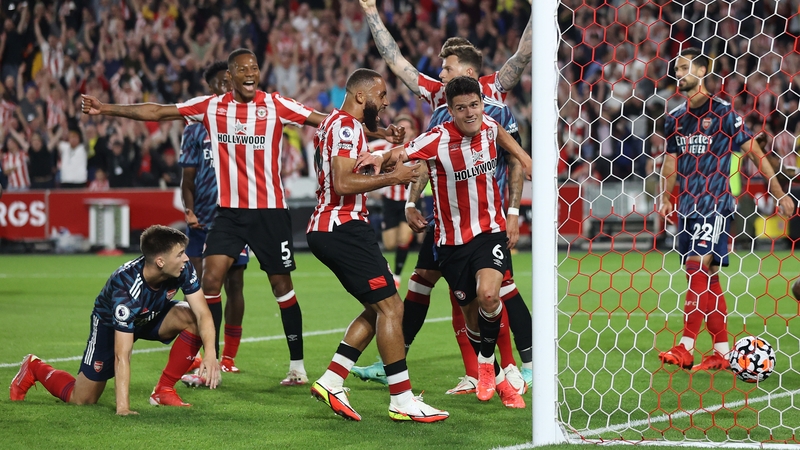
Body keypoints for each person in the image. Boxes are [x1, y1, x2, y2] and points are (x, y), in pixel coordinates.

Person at [81, 48, 403, 387]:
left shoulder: (276, 104)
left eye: (255, 67)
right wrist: (107, 109)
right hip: (230, 213)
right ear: (231, 76)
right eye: (243, 69)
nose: (251, 73)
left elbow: (328, 121)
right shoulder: (211, 106)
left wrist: (378, 134)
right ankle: (211, 360)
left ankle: (297, 366)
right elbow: (158, 112)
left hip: (270, 212)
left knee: (282, 287)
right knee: (210, 280)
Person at [354, 7, 534, 391]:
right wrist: (371, 12)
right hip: (446, 217)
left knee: (496, 290)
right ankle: (471, 371)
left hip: (487, 217)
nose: (440, 74)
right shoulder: (438, 99)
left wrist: (514, 209)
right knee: (429, 284)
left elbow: (523, 56)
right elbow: (396, 61)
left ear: (467, 74)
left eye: (447, 67)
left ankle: (519, 366)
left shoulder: (492, 95)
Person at [306, 68, 448, 423]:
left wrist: (385, 137)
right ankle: (401, 399)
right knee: (392, 310)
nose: (385, 102)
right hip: (342, 226)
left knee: (379, 307)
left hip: (338, 227)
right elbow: (341, 182)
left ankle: (332, 379)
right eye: (381, 96)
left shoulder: (336, 124)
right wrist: (393, 177)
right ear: (360, 96)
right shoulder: (345, 127)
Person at [657, 47, 795, 371]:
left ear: (703, 70)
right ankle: (720, 351)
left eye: (685, 67)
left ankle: (686, 346)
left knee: (696, 268)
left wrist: (779, 193)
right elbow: (670, 162)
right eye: (676, 68)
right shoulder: (674, 118)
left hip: (715, 204)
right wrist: (665, 196)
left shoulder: (724, 114)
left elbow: (756, 153)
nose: (679, 73)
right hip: (687, 207)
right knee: (710, 276)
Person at [9, 225, 221, 414]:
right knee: (82, 399)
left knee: (192, 316)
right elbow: (122, 354)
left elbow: (203, 313)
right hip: (110, 326)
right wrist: (123, 407)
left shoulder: (182, 268)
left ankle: (163, 391)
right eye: (180, 254)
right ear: (160, 261)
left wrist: (211, 354)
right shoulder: (125, 288)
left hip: (151, 315)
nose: (186, 258)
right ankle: (34, 367)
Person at [177, 61, 249, 380]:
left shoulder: (240, 123)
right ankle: (202, 350)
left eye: (229, 81)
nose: (226, 87)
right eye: (220, 83)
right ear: (211, 88)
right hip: (200, 221)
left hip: (232, 217)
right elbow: (188, 178)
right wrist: (188, 210)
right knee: (196, 285)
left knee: (235, 282)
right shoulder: (194, 130)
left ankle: (228, 355)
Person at [367, 114, 418, 288]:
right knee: (389, 243)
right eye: (400, 127)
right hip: (389, 200)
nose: (404, 131)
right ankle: (391, 271)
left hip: (408, 200)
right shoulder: (384, 146)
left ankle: (396, 275)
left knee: (404, 238)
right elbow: (365, 148)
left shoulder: (419, 147)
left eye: (407, 127)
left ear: (412, 130)